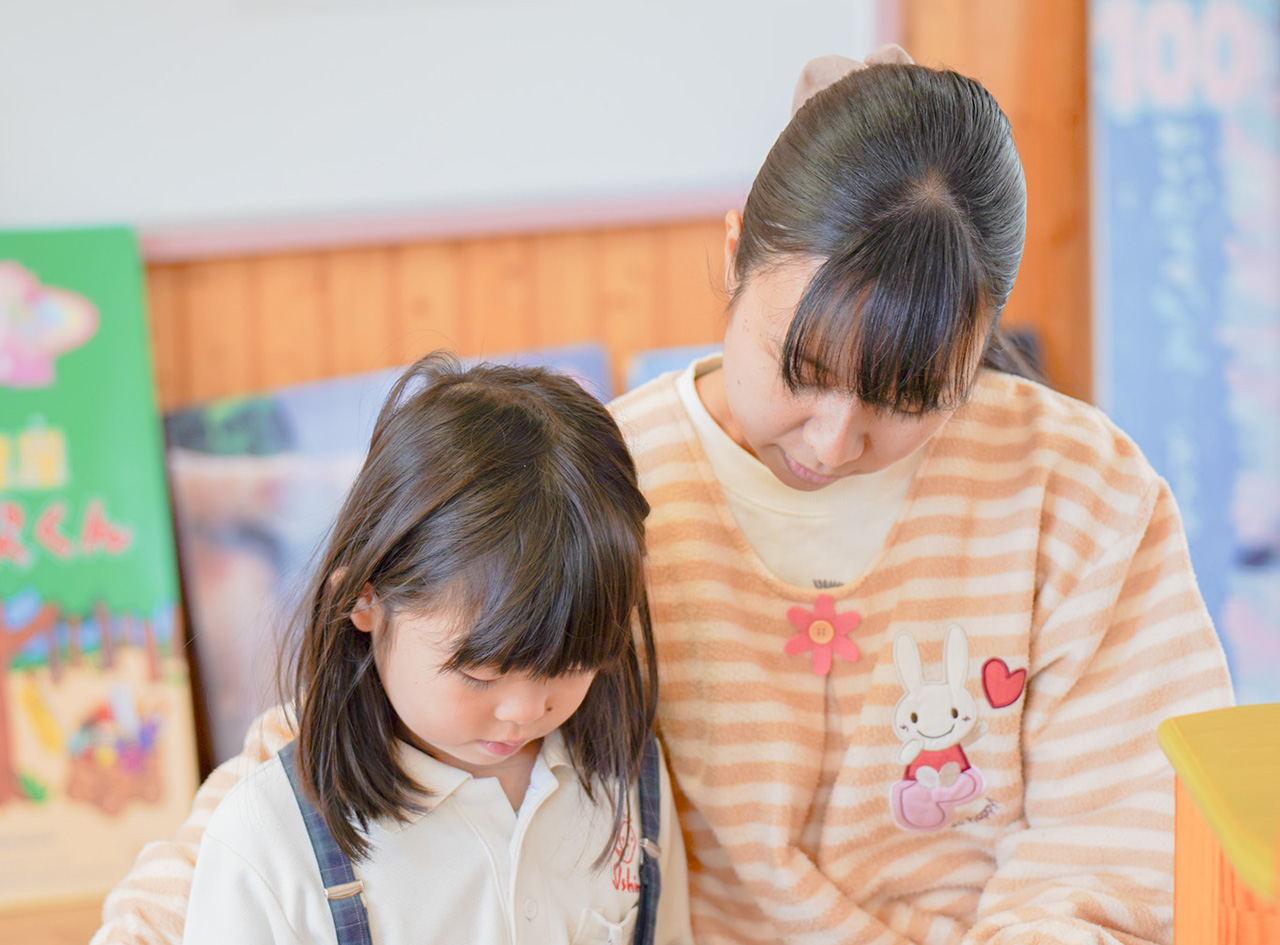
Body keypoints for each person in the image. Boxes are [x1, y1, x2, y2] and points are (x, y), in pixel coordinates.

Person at [93, 50, 1233, 945]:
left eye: (909, 395)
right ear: (734, 252)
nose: (832, 442)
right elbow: (327, 742)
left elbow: (1118, 854)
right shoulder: (608, 487)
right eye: (799, 371)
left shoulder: (1083, 498)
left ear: (979, 336)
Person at [175, 353, 692, 945]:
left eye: (571, 665)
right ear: (364, 601)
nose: (525, 710)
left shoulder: (630, 780)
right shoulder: (267, 842)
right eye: (479, 670)